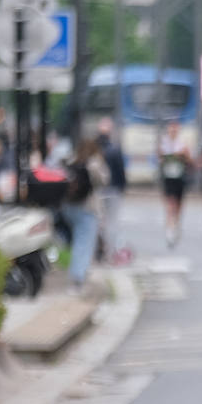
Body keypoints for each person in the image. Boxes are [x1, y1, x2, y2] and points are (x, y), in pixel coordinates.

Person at [62, 139, 110, 292]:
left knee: (77, 241)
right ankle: (78, 278)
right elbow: (104, 180)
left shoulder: (72, 160)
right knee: (84, 243)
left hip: (69, 206)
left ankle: (77, 273)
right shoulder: (94, 163)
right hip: (87, 208)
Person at [95, 117, 129, 265]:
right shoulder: (115, 149)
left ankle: (99, 251)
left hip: (98, 191)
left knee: (98, 222)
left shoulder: (94, 149)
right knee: (112, 222)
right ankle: (110, 253)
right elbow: (121, 172)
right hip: (113, 190)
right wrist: (122, 188)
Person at [159, 122, 193, 248]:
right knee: (170, 204)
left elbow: (190, 161)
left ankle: (176, 225)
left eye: (175, 129)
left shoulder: (182, 144)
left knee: (178, 205)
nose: (173, 131)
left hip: (180, 178)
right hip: (168, 179)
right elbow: (159, 158)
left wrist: (183, 155)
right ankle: (169, 230)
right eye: (171, 129)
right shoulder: (164, 144)